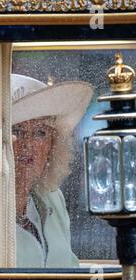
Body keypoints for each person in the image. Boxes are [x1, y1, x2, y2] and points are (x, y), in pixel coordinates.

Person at [11, 74, 94, 268]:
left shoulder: (54, 198)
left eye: (40, 132)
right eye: (17, 131)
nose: (28, 145)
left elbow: (72, 272)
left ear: (52, 145)